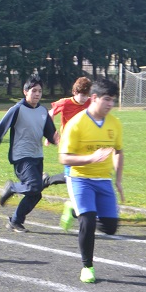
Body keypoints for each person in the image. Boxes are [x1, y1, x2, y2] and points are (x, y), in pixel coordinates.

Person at [58, 78, 124, 284]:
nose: (110, 104)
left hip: (103, 179)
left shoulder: (114, 123)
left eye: (113, 100)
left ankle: (72, 208)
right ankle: (87, 267)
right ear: (94, 98)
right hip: (80, 178)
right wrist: (90, 158)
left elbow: (119, 151)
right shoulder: (76, 124)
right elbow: (64, 158)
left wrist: (119, 180)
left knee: (111, 227)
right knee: (87, 221)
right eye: (106, 99)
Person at [0, 75, 62, 233]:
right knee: (34, 186)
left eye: (40, 91)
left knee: (36, 194)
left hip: (37, 156)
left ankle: (15, 221)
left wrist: (57, 140)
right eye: (34, 90)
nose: (37, 94)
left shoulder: (43, 111)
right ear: (25, 91)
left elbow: (50, 133)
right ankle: (12, 187)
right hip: (21, 156)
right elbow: (0, 129)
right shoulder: (17, 109)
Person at [49, 77, 93, 230]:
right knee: (72, 178)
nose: (84, 98)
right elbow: (50, 114)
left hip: (85, 147)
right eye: (81, 95)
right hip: (68, 147)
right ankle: (72, 207)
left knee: (87, 178)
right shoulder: (65, 103)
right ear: (74, 92)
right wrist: (50, 134)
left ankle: (76, 206)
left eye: (86, 95)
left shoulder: (90, 102)